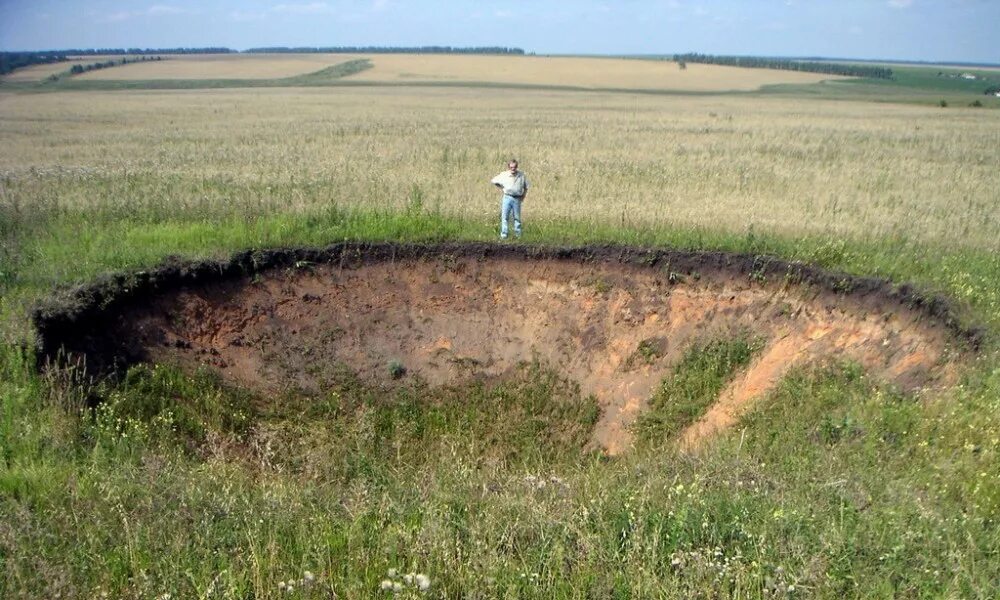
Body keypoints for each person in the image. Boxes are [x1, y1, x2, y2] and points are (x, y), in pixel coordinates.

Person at [490, 159, 529, 239]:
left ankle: (518, 235)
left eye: (514, 167)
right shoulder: (504, 175)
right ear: (509, 167)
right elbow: (494, 181)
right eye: (511, 167)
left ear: (517, 167)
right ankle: (504, 235)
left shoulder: (521, 175)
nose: (513, 169)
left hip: (517, 198)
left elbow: (526, 187)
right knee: (505, 217)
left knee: (517, 218)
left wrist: (523, 196)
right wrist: (502, 187)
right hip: (507, 197)